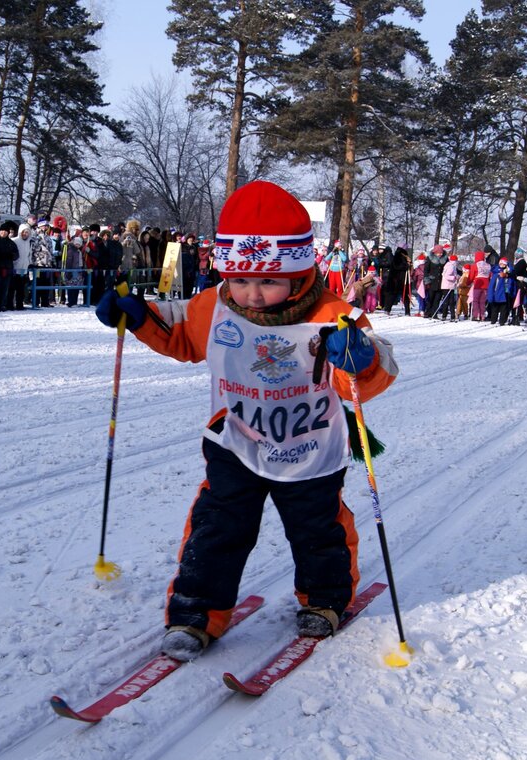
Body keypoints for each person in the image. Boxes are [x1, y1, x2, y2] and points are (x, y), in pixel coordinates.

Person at [93, 180, 398, 659]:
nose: (252, 295)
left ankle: (325, 600)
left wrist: (358, 357)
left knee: (318, 529)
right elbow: (178, 329)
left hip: (310, 448)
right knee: (218, 525)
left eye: (268, 281)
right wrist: (137, 315)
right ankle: (196, 612)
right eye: (241, 280)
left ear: (299, 276)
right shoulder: (214, 305)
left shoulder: (333, 314)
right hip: (236, 438)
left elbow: (373, 373)